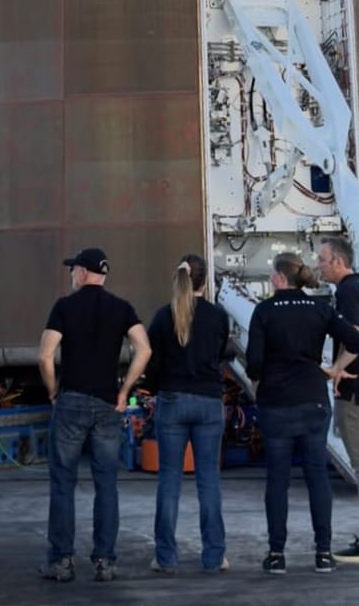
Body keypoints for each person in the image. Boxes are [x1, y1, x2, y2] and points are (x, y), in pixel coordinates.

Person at [38, 247, 152, 583]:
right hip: (107, 404)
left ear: (84, 272)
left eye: (73, 269)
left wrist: (52, 392)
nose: (71, 275)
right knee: (106, 484)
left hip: (71, 401)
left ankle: (61, 561)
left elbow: (45, 356)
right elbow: (144, 349)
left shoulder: (64, 307)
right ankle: (104, 561)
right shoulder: (122, 308)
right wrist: (125, 390)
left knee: (63, 483)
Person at [245, 251, 359, 575]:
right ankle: (323, 553)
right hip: (312, 399)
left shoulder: (264, 311)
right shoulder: (320, 308)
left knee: (277, 480)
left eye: (272, 273)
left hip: (276, 403)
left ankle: (277, 554)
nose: (270, 278)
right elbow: (356, 340)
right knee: (317, 477)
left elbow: (254, 362)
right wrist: (334, 369)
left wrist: (262, 378)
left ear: (281, 278)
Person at [146, 253, 231, 575]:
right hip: (208, 400)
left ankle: (165, 557)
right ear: (204, 282)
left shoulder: (162, 316)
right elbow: (222, 354)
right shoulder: (217, 316)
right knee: (208, 480)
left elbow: (152, 360)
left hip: (172, 399)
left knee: (169, 479)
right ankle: (214, 556)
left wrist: (153, 387)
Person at [317, 234, 359, 562]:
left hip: (357, 393)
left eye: (322, 260)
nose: (318, 266)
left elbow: (355, 336)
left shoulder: (346, 292)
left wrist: (336, 369)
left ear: (338, 262)